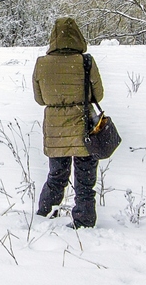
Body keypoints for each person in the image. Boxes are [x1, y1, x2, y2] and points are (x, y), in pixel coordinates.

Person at [32, 17, 104, 228]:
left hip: (55, 129)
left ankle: (45, 213)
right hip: (83, 126)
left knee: (56, 175)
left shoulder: (41, 64)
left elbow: (40, 99)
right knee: (85, 180)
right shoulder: (85, 61)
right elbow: (98, 94)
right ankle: (84, 219)